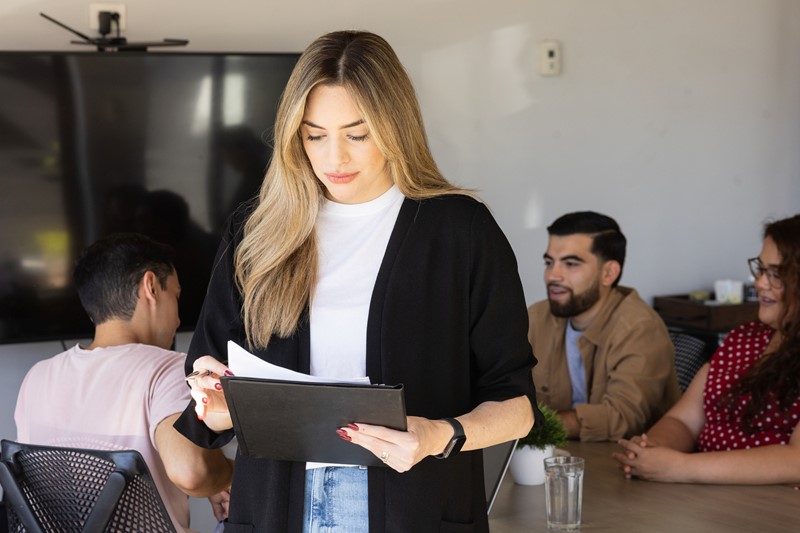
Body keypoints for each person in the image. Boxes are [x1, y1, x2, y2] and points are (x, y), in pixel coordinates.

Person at [174, 30, 540, 532]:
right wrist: (216, 402)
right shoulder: (257, 232)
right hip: (278, 511)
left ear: (395, 126)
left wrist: (438, 436)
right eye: (314, 135)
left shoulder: (460, 231)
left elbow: (517, 406)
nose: (335, 159)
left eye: (357, 134)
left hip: (414, 511)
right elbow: (212, 409)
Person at [14, 233, 232, 532]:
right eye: (176, 296)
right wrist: (230, 475)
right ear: (151, 287)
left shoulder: (36, 376)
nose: (178, 320)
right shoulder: (166, 368)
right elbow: (191, 473)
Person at [614, 214, 800, 484]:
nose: (760, 283)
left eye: (777, 274)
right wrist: (651, 450)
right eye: (761, 269)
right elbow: (683, 421)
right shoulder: (743, 339)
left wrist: (680, 467)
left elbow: (796, 460)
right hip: (702, 497)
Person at [528, 211, 680, 442]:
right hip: (552, 453)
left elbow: (622, 418)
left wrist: (529, 424)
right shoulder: (537, 317)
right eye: (549, 263)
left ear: (608, 273)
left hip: (619, 457)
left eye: (570, 264)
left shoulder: (639, 327)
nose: (553, 276)